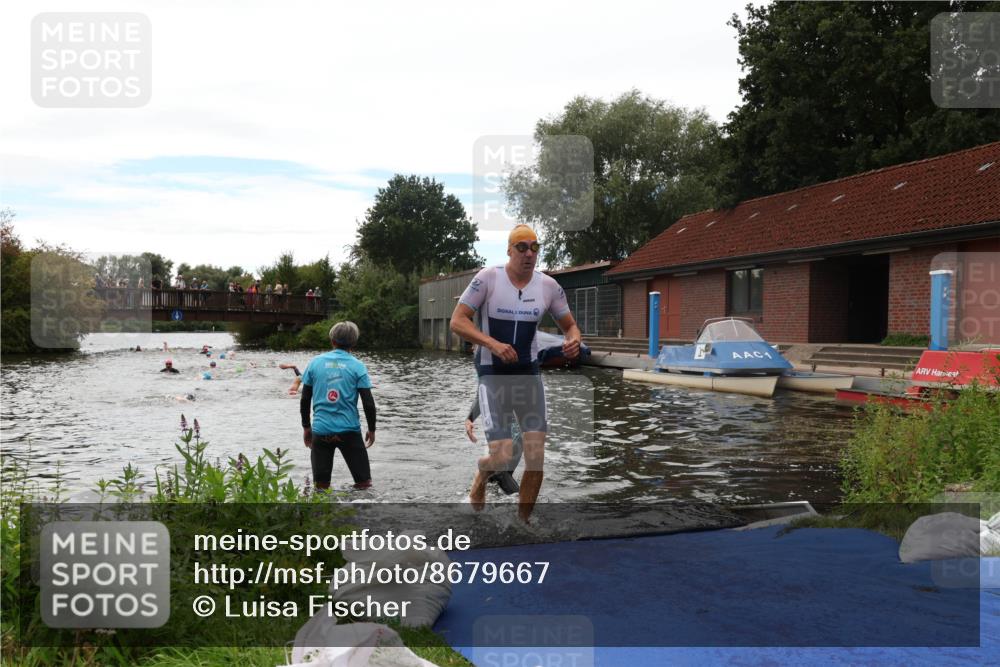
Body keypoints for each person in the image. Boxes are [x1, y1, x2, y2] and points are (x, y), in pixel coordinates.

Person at [450, 224, 581, 522]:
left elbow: (570, 326)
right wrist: (492, 344)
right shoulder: (488, 279)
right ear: (509, 250)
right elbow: (458, 321)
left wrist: (574, 340)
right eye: (522, 247)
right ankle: (484, 473)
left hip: (528, 375)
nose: (529, 253)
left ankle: (523, 525)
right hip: (492, 374)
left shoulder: (549, 287)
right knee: (503, 456)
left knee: (536, 459)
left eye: (535, 247)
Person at [300, 322, 376, 491]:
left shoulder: (314, 363)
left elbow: (305, 398)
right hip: (349, 431)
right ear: (354, 343)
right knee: (364, 485)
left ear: (332, 340)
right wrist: (372, 429)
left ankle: (321, 516)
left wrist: (306, 427)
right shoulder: (358, 366)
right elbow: (368, 402)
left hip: (321, 431)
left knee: (320, 488)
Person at [466, 393, 522, 495]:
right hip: (500, 429)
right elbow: (481, 395)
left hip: (516, 431)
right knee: (498, 476)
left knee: (497, 476)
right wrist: (470, 418)